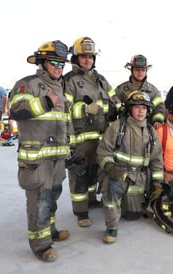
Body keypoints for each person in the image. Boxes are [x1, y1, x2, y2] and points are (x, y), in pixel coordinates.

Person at [9, 40, 72, 262]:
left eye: (61, 63)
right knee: (39, 199)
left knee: (53, 195)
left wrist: (69, 147)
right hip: (37, 158)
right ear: (43, 62)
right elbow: (15, 110)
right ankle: (41, 245)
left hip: (56, 156)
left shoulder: (61, 87)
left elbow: (65, 120)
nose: (58, 67)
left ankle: (51, 231)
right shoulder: (28, 84)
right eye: (54, 62)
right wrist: (45, 102)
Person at [64, 36, 121, 228]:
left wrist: (120, 109)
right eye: (84, 56)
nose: (88, 60)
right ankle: (80, 212)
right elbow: (63, 109)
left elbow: (114, 101)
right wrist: (84, 109)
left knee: (93, 172)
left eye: (90, 56)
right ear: (76, 58)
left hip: (100, 137)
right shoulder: (70, 80)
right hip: (80, 138)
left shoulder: (101, 80)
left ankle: (90, 200)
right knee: (79, 173)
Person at [96, 91, 164, 244]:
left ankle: (128, 205)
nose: (141, 111)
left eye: (144, 108)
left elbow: (156, 160)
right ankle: (111, 227)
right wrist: (110, 167)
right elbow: (102, 152)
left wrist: (157, 183)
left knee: (132, 215)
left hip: (139, 179)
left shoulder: (152, 132)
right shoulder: (117, 127)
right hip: (118, 175)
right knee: (112, 190)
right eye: (137, 107)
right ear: (129, 109)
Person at [115, 54, 165, 129]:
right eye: (137, 69)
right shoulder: (121, 90)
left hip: (146, 130)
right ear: (131, 70)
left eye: (143, 70)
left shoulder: (153, 91)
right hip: (126, 130)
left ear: (146, 71)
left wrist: (157, 120)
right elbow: (112, 107)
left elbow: (160, 108)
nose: (140, 72)